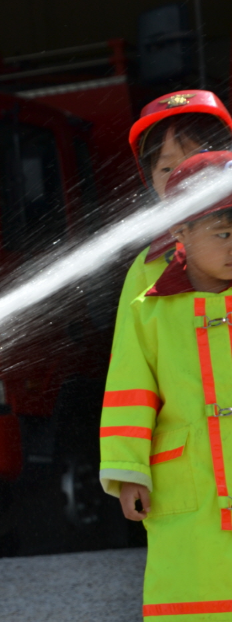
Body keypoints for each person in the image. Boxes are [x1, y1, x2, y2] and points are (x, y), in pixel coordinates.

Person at [100, 150, 232, 618]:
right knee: (190, 591)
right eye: (223, 234)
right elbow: (129, 385)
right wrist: (127, 469)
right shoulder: (149, 306)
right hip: (186, 482)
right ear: (180, 234)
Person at [109, 90, 232, 347]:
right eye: (167, 169)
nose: (183, 176)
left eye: (197, 160)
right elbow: (132, 364)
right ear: (150, 182)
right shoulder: (146, 269)